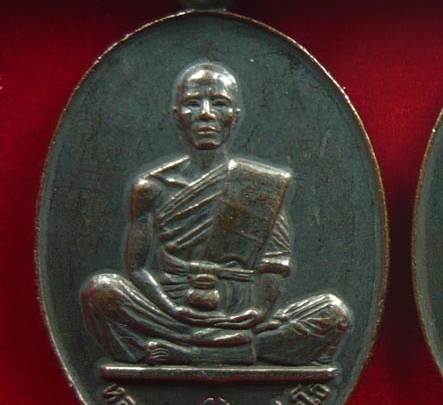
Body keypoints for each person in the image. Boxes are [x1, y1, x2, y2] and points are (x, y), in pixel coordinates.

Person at [81, 61, 351, 366]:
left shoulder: (260, 184)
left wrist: (259, 312)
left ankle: (190, 352)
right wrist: (174, 310)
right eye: (193, 103)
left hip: (242, 317)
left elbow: (275, 262)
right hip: (173, 314)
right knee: (100, 292)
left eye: (219, 103)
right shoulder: (151, 187)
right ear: (178, 116)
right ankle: (231, 349)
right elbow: (138, 268)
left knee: (333, 313)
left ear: (234, 116)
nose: (206, 113)